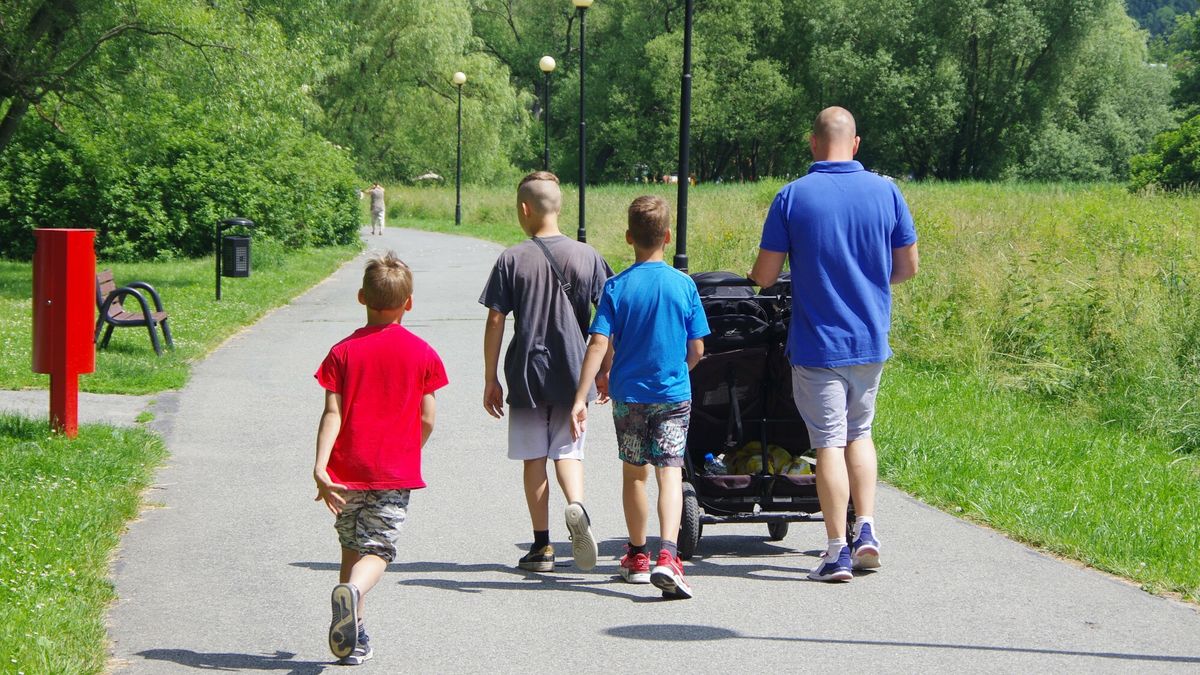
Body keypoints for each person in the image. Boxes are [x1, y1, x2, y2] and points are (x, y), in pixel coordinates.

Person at [747, 106, 919, 582]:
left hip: (817, 344)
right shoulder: (887, 191)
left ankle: (835, 550)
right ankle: (865, 530)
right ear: (856, 143)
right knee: (860, 435)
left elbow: (764, 274)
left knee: (827, 443)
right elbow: (907, 268)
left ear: (812, 142)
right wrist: (866, 283)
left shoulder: (792, 196)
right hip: (869, 340)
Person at [570, 195, 710, 599]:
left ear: (630, 237)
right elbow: (697, 347)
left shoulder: (615, 287)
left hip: (628, 396)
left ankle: (636, 556)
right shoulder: (683, 285)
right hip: (672, 395)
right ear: (668, 236)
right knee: (670, 472)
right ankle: (668, 555)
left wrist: (583, 395)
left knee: (634, 474)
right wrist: (680, 372)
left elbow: (598, 343)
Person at [313, 252, 448, 664]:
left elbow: (332, 412)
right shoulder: (421, 352)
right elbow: (427, 417)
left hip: (344, 470)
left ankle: (353, 638)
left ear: (361, 297)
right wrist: (409, 449)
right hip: (393, 470)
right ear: (409, 302)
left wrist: (320, 466)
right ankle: (354, 596)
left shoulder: (342, 352)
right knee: (378, 550)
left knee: (351, 547)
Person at [479, 171, 613, 573]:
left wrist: (491, 377)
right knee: (569, 451)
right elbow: (607, 320)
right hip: (576, 373)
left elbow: (496, 321)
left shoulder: (511, 258)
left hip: (527, 374)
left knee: (534, 458)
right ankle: (576, 506)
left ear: (524, 209)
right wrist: (606, 369)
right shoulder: (587, 256)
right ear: (559, 207)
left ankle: (542, 547)